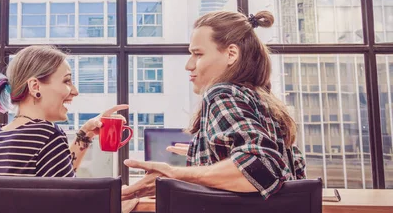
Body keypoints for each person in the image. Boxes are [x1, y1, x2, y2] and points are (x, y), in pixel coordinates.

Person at [121, 11, 306, 201]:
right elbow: (295, 172)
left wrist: (174, 174)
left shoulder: (221, 93)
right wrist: (205, 153)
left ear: (231, 54)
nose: (189, 65)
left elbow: (262, 168)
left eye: (198, 54)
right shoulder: (264, 101)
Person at [0, 44, 128, 177]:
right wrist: (127, 195)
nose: (75, 91)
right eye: (66, 81)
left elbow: (58, 180)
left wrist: (86, 133)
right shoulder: (48, 134)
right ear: (35, 86)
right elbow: (68, 198)